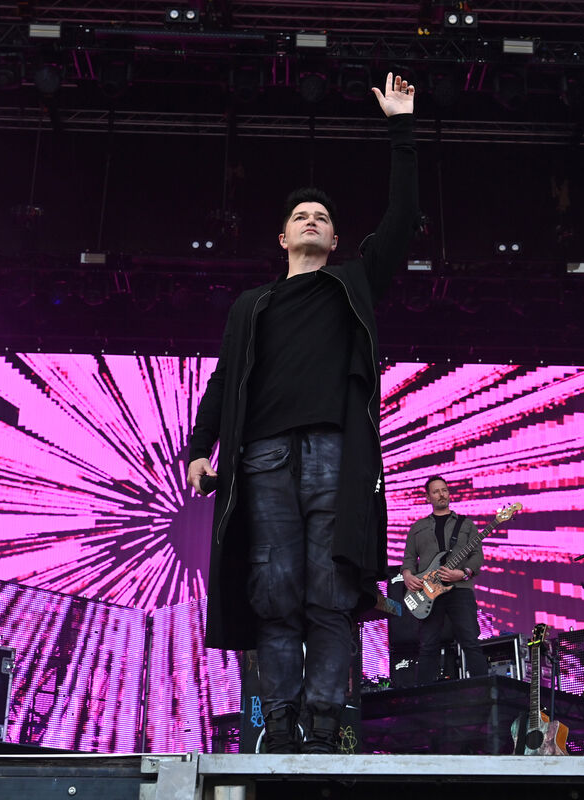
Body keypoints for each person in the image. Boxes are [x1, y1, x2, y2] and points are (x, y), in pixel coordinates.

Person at [186, 73, 418, 754]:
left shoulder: (352, 285)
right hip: (262, 457)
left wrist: (401, 128)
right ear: (283, 238)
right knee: (275, 593)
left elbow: (402, 219)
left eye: (321, 216)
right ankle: (280, 724)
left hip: (333, 454)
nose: (311, 219)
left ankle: (324, 721)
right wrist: (200, 446)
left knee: (329, 591)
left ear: (336, 238)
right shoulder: (251, 306)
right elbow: (225, 380)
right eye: (300, 216)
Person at [401, 476, 488, 684]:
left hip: (460, 588)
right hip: (428, 591)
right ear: (428, 497)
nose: (441, 494)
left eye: (444, 490)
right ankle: (422, 695)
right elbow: (409, 558)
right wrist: (407, 575)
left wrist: (464, 572)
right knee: (427, 645)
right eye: (436, 491)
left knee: (470, 641)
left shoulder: (466, 524)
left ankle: (485, 690)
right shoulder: (417, 528)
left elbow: (477, 555)